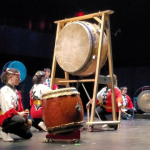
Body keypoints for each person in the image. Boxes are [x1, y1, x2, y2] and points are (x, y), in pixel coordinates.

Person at [0, 68, 32, 142]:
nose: (19, 79)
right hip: (3, 117)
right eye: (17, 77)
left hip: (13, 117)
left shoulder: (15, 91)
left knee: (28, 134)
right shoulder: (5, 90)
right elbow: (8, 110)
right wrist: (19, 115)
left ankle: (6, 128)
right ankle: (4, 131)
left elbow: (19, 107)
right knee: (19, 120)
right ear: (10, 77)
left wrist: (25, 118)